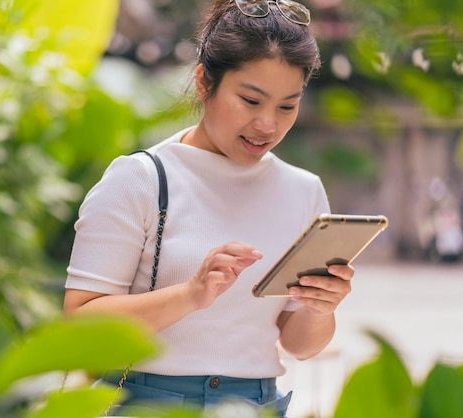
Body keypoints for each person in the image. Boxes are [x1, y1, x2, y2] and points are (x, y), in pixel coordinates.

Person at [63, 0, 354, 416]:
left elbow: (297, 344)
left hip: (257, 404)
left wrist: (320, 306)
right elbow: (78, 326)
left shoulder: (304, 191)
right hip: (146, 404)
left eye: (287, 106)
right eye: (251, 101)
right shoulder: (141, 179)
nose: (268, 125)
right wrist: (190, 295)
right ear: (204, 83)